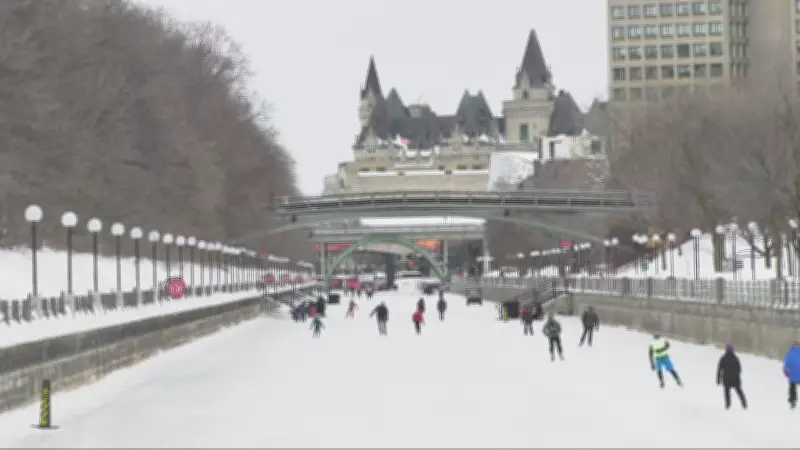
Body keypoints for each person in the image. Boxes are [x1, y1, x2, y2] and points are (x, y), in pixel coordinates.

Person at [717, 344, 747, 409]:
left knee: (727, 393)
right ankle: (744, 404)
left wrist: (718, 379)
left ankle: (728, 405)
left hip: (726, 379)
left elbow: (719, 370)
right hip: (735, 379)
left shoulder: (723, 358)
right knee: (739, 392)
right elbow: (739, 369)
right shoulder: (735, 358)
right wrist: (735, 374)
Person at [783, 342, 800, 409]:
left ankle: (792, 400)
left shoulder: (789, 354)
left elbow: (786, 365)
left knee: (792, 387)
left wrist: (786, 372)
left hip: (793, 375)